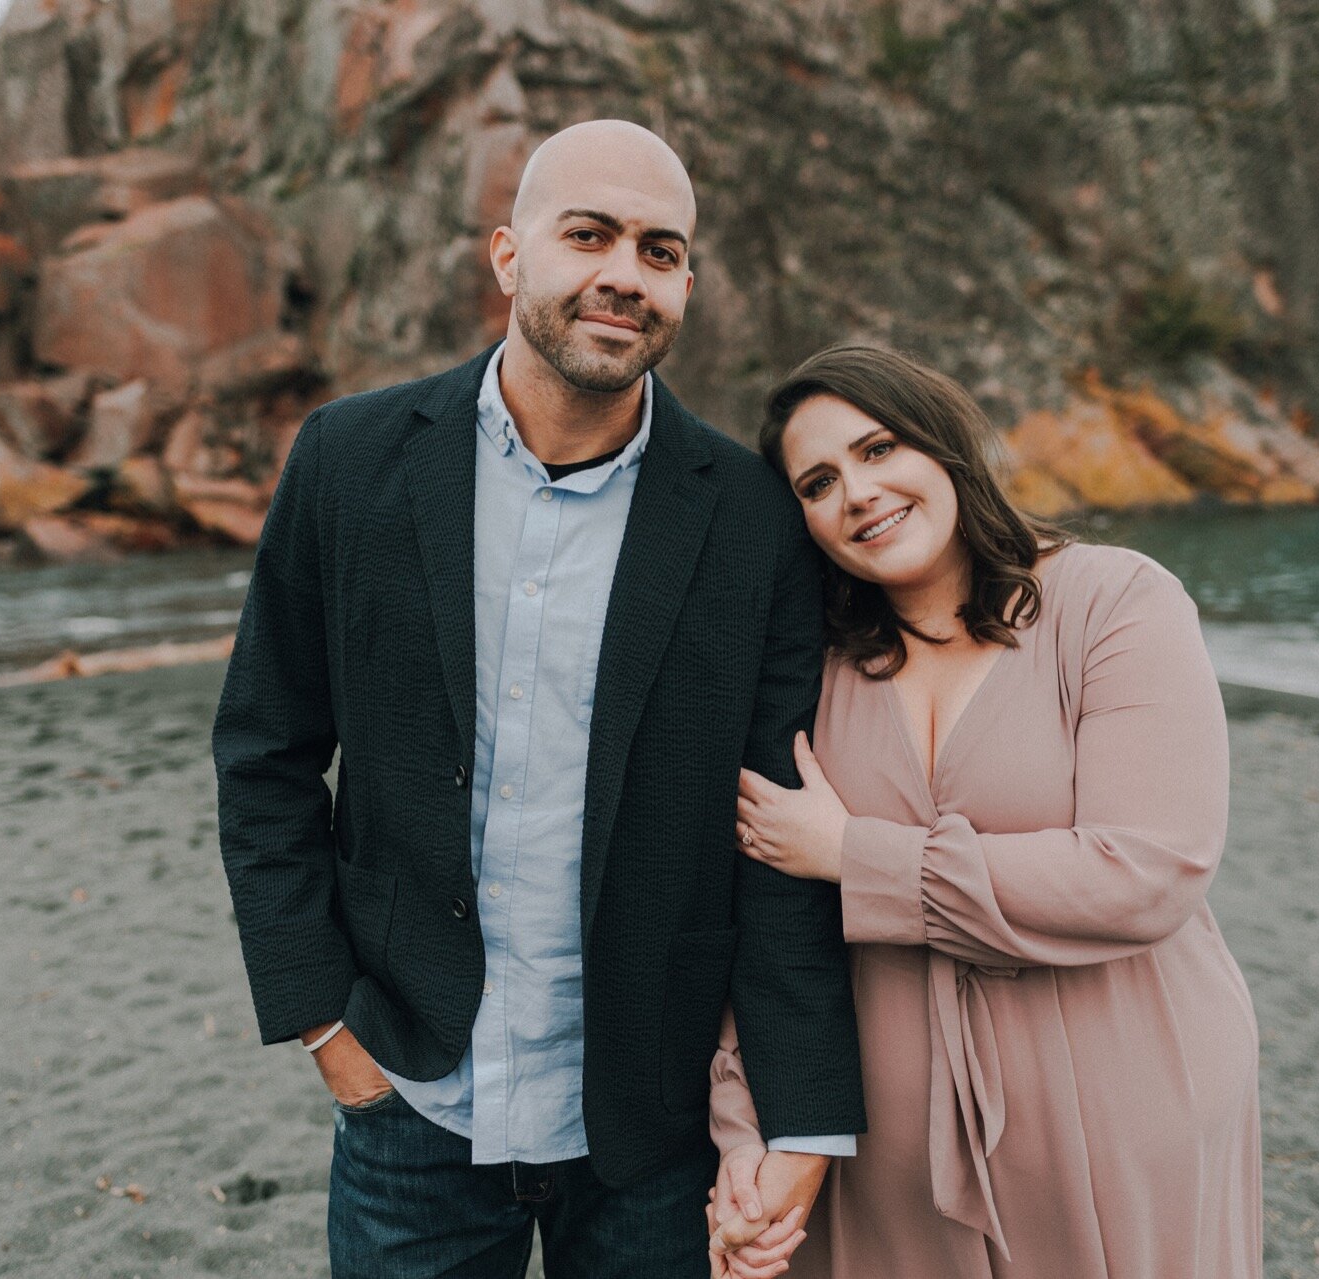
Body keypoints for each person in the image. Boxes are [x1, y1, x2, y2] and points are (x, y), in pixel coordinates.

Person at [210, 120, 864, 1279]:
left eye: (660, 251)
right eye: (591, 235)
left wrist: (802, 1116)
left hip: (653, 1123)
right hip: (411, 1094)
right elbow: (265, 751)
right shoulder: (348, 462)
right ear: (510, 257)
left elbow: (776, 838)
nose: (625, 272)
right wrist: (324, 1023)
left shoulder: (753, 520)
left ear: (686, 286)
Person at [706, 344, 1262, 1278]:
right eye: (818, 481)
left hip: (1127, 1115)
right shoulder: (813, 667)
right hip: (891, 1151)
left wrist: (858, 855)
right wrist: (744, 1125)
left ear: (945, 444)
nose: (859, 492)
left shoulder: (1115, 602)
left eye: (880, 449)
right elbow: (761, 916)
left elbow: (1148, 870)